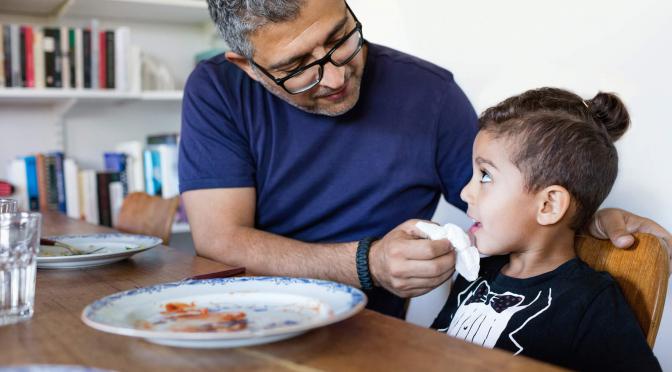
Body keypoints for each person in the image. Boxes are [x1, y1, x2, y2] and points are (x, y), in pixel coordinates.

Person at [179, 0, 672, 318]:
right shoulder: (216, 91)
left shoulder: (431, 95)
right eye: (296, 69)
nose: (332, 79)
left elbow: (514, 206)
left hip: (369, 342)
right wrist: (366, 263)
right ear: (248, 67)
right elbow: (219, 239)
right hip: (239, 320)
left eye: (339, 40)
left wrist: (583, 215)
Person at [430, 88, 661, 371]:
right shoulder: (476, 270)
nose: (465, 192)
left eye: (486, 176)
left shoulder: (591, 303)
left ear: (548, 205)